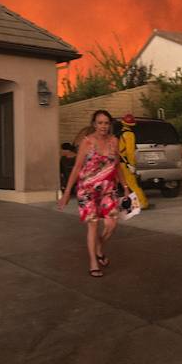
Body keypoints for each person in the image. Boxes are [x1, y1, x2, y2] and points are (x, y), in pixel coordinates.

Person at [58, 109, 129, 277]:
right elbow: (76, 168)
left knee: (112, 224)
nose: (103, 126)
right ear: (94, 124)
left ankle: (99, 248)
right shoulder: (87, 142)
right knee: (93, 225)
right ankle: (93, 262)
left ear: (109, 125)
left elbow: (117, 166)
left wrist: (125, 187)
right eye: (100, 123)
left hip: (107, 189)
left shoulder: (114, 141)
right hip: (87, 190)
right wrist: (67, 192)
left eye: (106, 123)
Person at [117, 113, 149, 210]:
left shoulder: (123, 134)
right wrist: (131, 164)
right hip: (125, 163)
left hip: (123, 162)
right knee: (131, 184)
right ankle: (139, 203)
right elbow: (129, 152)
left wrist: (129, 164)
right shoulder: (128, 134)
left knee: (130, 184)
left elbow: (126, 151)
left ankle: (141, 203)